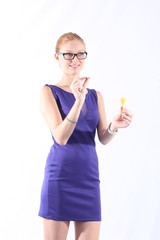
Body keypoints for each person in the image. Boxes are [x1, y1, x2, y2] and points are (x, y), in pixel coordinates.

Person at [38, 32, 132, 240]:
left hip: (88, 179)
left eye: (80, 54)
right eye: (69, 55)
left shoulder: (95, 95)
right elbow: (61, 138)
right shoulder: (48, 92)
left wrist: (114, 126)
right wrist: (77, 101)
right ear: (57, 57)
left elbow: (102, 138)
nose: (75, 60)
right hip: (60, 178)